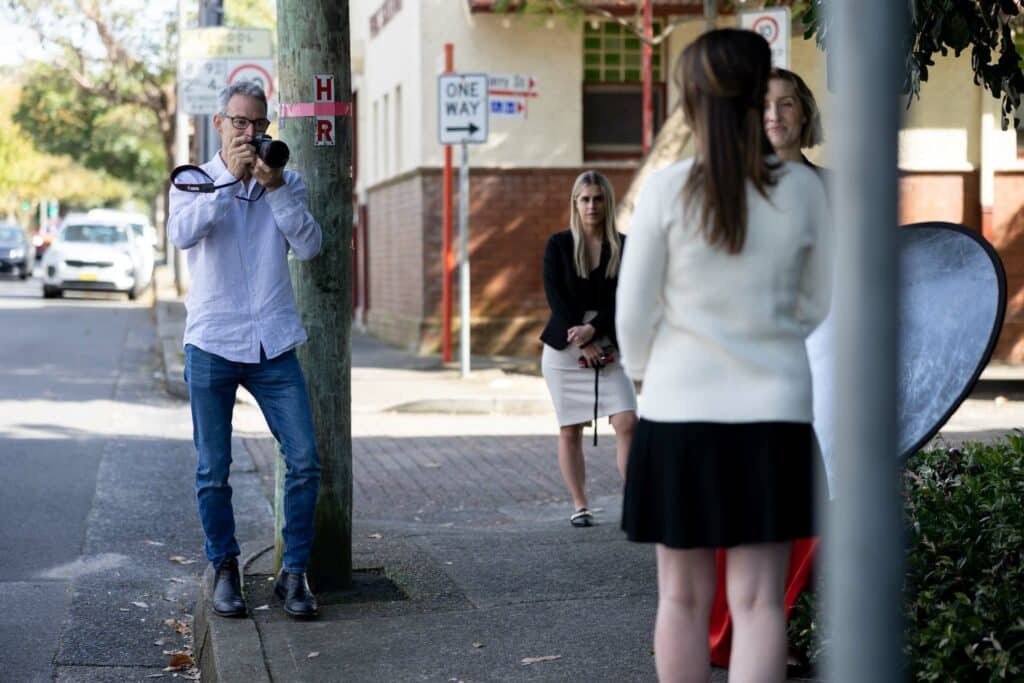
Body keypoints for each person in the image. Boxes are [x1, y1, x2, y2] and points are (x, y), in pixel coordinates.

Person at [618, 29, 830, 683]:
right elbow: (818, 302)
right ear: (757, 92)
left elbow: (631, 319)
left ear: (692, 99)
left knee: (681, 598)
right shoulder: (802, 190)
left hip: (678, 414)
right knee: (761, 601)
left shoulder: (665, 188)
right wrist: (766, 331)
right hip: (777, 414)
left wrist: (654, 376)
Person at [168, 81, 323, 620]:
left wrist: (274, 188)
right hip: (212, 341)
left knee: (304, 459)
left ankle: (294, 576)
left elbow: (309, 245)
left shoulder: (287, 181)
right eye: (240, 123)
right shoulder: (192, 182)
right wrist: (228, 184)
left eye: (258, 124)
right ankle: (226, 569)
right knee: (214, 469)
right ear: (219, 124)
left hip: (273, 342)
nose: (250, 133)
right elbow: (182, 234)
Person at [708, 66, 832, 669]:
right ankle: (746, 639)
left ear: (805, 115)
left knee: (812, 504)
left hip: (826, 362)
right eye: (764, 106)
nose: (777, 115)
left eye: (788, 104)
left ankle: (790, 633)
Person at [540, 171, 638, 528]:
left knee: (627, 420)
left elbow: (627, 297)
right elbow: (556, 299)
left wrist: (595, 332)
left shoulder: (625, 246)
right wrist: (583, 339)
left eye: (598, 199)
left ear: (607, 203)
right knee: (571, 428)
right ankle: (580, 504)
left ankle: (633, 501)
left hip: (610, 341)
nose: (592, 205)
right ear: (575, 203)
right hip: (565, 348)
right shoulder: (558, 245)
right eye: (585, 199)